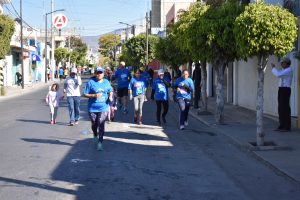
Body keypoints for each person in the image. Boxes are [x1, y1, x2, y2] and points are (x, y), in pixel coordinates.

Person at [83, 67, 113, 151]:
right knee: (94, 124)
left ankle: (100, 142)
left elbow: (110, 90)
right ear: (95, 73)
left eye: (101, 72)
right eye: (98, 72)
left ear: (103, 74)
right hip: (92, 108)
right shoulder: (91, 82)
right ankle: (95, 134)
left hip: (103, 107)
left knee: (101, 123)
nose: (99, 74)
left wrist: (110, 96)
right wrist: (93, 95)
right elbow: (84, 94)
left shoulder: (106, 82)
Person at [271, 57, 293, 132]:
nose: (281, 64)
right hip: (281, 89)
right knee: (281, 108)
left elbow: (278, 74)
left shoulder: (288, 70)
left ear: (287, 63)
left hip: (285, 90)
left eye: (283, 63)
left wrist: (273, 68)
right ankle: (282, 125)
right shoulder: (284, 70)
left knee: (285, 108)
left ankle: (287, 127)